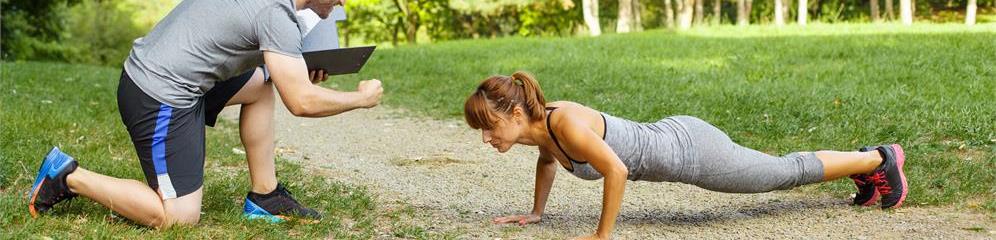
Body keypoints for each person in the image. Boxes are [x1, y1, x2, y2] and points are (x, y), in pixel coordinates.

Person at [28, 0, 383, 228]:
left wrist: (298, 70)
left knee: (261, 85)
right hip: (157, 93)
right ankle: (68, 176)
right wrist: (360, 98)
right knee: (178, 217)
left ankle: (265, 195)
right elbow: (301, 102)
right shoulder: (277, 15)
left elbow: (247, 42)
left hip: (171, 72)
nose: (342, 2)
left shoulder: (273, 8)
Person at [462, 71, 908, 239]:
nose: (487, 139)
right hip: (679, 136)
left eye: (489, 127)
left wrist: (602, 236)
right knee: (780, 169)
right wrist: (537, 212)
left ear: (516, 111)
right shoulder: (541, 130)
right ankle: (868, 166)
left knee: (780, 173)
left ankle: (877, 160)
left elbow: (615, 170)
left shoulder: (565, 124)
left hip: (693, 152)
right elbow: (547, 158)